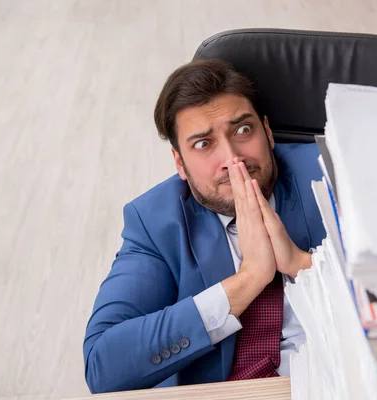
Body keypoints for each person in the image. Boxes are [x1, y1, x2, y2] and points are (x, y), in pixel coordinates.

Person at [83, 58, 326, 393]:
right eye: (203, 144)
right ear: (179, 163)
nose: (232, 158)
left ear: (267, 132)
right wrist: (248, 280)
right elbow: (103, 365)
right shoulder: (154, 221)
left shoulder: (330, 174)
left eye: (243, 130)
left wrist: (304, 266)